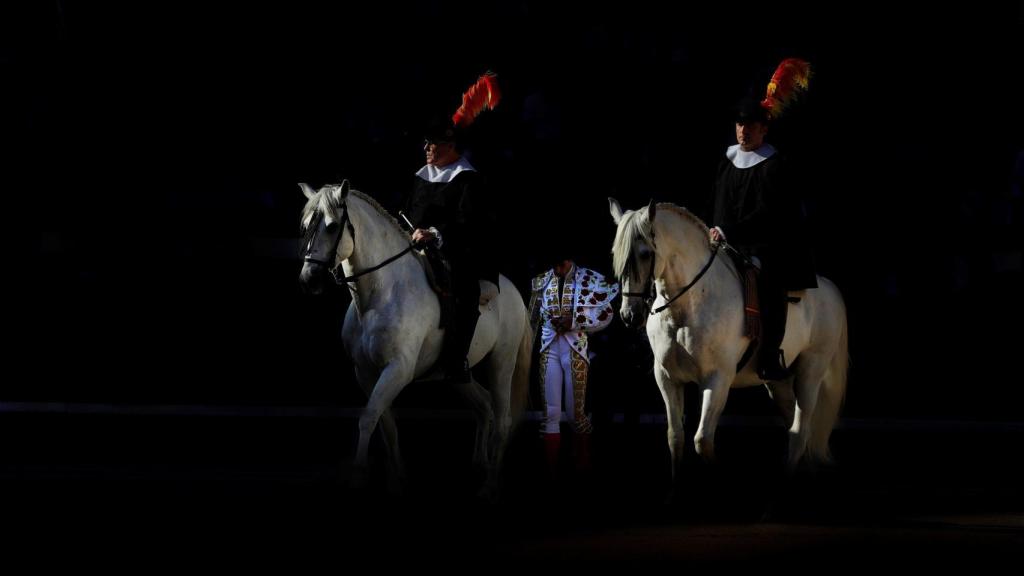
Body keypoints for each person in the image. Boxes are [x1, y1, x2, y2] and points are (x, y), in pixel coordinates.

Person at [709, 59, 818, 381]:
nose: (744, 130)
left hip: (766, 243)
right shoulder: (728, 160)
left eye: (752, 126)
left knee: (770, 285)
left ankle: (771, 355)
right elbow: (717, 202)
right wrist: (714, 229)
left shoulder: (775, 165)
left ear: (764, 128)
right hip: (726, 240)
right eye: (740, 125)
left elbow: (769, 213)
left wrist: (731, 230)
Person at [404, 73, 500, 384]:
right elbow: (410, 210)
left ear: (448, 145)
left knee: (464, 291)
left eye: (432, 144)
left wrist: (433, 233)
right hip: (415, 244)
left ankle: (457, 358)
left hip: (456, 248)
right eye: (426, 143)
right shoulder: (422, 174)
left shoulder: (466, 178)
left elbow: (467, 222)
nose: (427, 149)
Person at [529, 255, 618, 475]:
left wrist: (576, 321)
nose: (558, 268)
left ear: (570, 259)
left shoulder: (588, 278)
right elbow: (531, 321)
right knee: (550, 414)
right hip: (548, 350)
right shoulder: (541, 281)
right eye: (554, 264)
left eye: (562, 263)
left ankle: (583, 468)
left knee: (575, 415)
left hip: (575, 350)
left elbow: (607, 314)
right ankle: (551, 472)